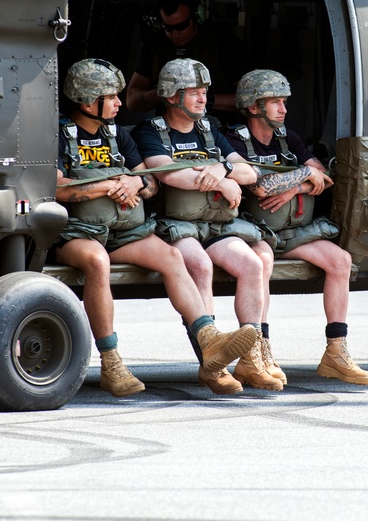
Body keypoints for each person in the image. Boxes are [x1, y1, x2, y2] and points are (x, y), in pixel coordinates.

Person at [53, 58, 257, 398]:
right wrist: (108, 185)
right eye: (112, 97)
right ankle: (110, 361)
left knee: (172, 258)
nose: (121, 103)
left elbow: (149, 182)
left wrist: (136, 185)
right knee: (98, 263)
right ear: (88, 102)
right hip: (79, 232)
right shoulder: (59, 136)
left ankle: (208, 339)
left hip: (126, 231)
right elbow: (58, 188)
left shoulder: (118, 134)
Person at [132, 59, 324, 392]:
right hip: (178, 225)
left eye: (204, 92)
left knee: (252, 264)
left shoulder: (211, 130)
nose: (203, 99)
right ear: (172, 95)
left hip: (218, 224)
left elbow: (249, 173)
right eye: (194, 92)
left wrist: (223, 171)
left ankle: (250, 358)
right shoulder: (151, 131)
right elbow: (167, 174)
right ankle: (213, 362)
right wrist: (222, 181)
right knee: (199, 266)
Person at [223, 69, 368, 385]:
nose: (283, 109)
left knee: (340, 261)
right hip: (258, 231)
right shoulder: (234, 139)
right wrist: (303, 177)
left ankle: (336, 350)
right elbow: (261, 187)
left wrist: (294, 187)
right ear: (253, 107)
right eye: (275, 102)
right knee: (261, 261)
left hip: (295, 232)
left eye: (284, 101)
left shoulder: (286, 137)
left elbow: (320, 172)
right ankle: (260, 349)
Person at [124, 0, 250, 126]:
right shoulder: (155, 45)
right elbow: (132, 101)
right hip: (167, 128)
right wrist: (166, 91)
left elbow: (250, 99)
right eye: (168, 28)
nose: (175, 33)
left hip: (216, 126)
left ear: (196, 17)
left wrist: (204, 99)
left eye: (181, 26)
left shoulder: (223, 44)